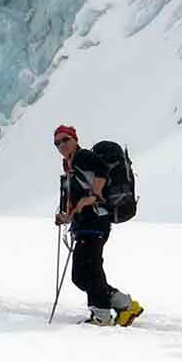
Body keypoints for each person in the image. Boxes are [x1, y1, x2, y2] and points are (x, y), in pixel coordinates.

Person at [55, 125, 144, 326]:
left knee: (86, 271)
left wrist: (93, 196)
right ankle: (124, 305)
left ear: (75, 140)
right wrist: (66, 217)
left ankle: (102, 315)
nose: (61, 145)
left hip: (94, 222)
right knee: (85, 273)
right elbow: (78, 196)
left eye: (64, 140)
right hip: (87, 224)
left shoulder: (82, 157)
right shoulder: (71, 165)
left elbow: (102, 170)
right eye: (57, 142)